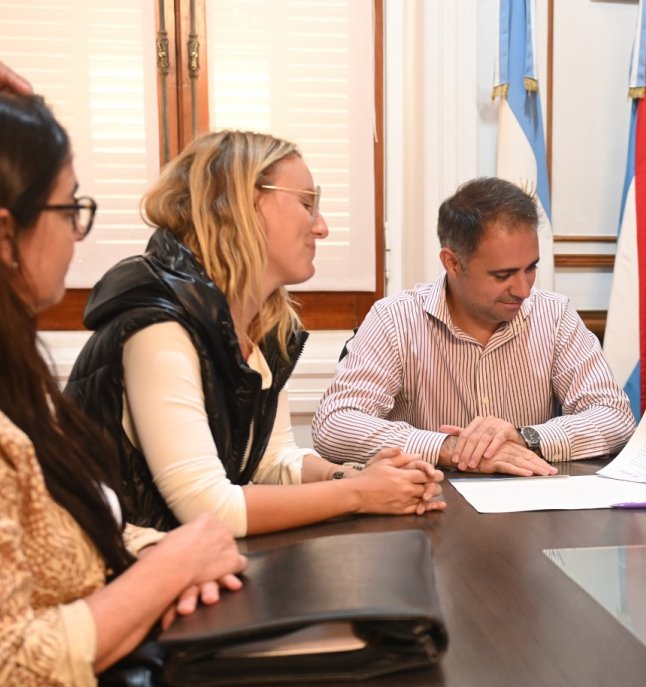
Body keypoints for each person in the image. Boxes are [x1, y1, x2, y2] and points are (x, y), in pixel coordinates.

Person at [0, 90, 246, 687]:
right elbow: (11, 679)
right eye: (69, 207)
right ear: (6, 233)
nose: (78, 232)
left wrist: (159, 554)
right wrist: (172, 566)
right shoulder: (159, 325)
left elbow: (76, 523)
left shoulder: (19, 370)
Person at [65, 130, 446, 536]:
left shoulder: (264, 328)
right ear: (242, 204)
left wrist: (352, 476)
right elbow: (210, 508)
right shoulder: (157, 325)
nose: (321, 227)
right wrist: (359, 494)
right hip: (107, 561)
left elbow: (272, 460)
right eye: (307, 204)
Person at [312, 177, 636, 475]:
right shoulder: (395, 320)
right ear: (452, 263)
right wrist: (450, 449)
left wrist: (527, 438)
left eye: (531, 268)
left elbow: (615, 416)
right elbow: (334, 425)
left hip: (534, 506)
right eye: (503, 275)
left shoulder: (554, 316)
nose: (524, 290)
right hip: (428, 504)